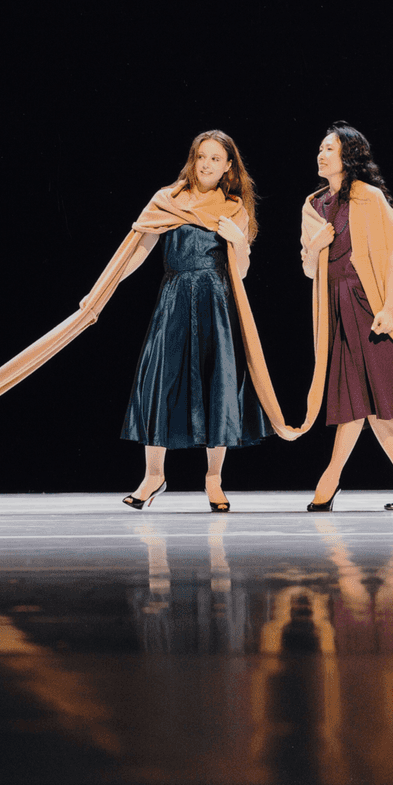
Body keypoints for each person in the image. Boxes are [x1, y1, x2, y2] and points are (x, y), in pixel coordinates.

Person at [116, 130, 272, 511]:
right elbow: (139, 250)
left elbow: (243, 271)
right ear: (192, 158)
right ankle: (154, 476)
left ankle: (214, 481)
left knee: (217, 385)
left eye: (216, 159)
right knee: (161, 383)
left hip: (216, 304)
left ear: (228, 167)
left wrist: (238, 241)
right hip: (173, 302)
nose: (207, 164)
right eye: (202, 156)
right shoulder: (167, 200)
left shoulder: (234, 208)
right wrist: (107, 286)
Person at [299, 123, 393, 511]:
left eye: (330, 149)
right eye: (320, 147)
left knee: (365, 397)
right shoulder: (314, 204)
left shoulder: (368, 198)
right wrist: (316, 247)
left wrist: (387, 307)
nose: (321, 154)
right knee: (366, 400)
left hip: (367, 303)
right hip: (335, 305)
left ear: (348, 156)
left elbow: (388, 256)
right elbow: (308, 268)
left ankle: (330, 479)